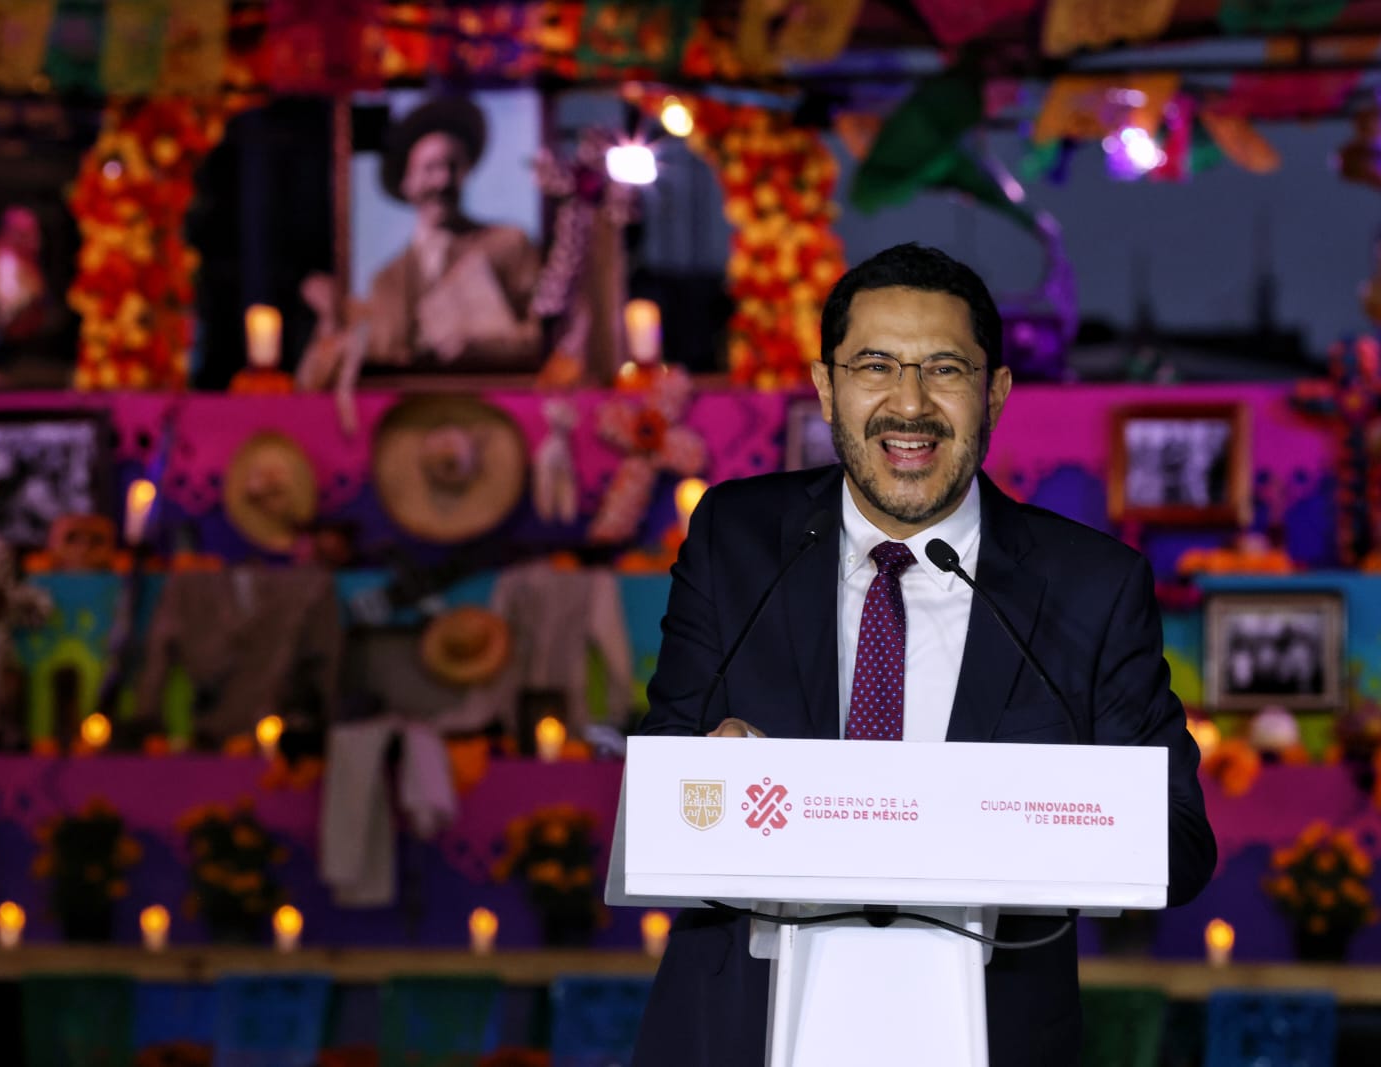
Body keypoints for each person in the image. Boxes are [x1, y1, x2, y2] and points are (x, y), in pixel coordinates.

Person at [631, 243, 1216, 1067]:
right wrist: (706, 773)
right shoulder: (738, 541)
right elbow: (664, 789)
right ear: (827, 386)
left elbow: (1181, 841)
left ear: (995, 393)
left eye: (945, 369)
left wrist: (1040, 814)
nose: (909, 404)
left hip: (986, 1031)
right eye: (875, 364)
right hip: (745, 1029)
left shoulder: (1091, 584)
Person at [311, 95, 543, 378]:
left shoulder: (508, 244)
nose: (443, 181)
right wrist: (331, 320)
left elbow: (543, 338)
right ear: (407, 183)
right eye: (430, 168)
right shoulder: (386, 280)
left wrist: (483, 345)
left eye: (452, 166)